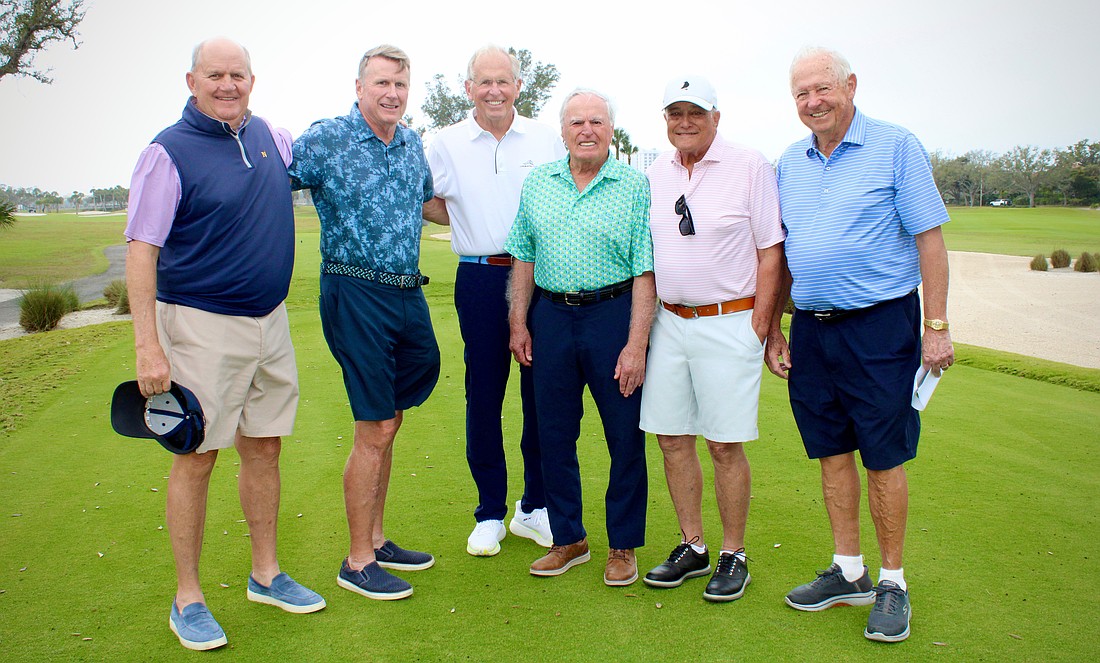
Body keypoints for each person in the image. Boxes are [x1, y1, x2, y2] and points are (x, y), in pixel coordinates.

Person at [125, 37, 324, 651]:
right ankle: (187, 598)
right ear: (192, 81)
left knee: (263, 446)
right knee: (197, 455)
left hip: (270, 322)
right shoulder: (167, 152)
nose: (228, 84)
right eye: (215, 74)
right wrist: (147, 346)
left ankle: (265, 575)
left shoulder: (269, 136)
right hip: (199, 324)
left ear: (252, 81)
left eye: (238, 74)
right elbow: (142, 250)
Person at [767, 46, 954, 643]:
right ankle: (849, 571)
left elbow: (930, 242)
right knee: (830, 450)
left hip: (880, 326)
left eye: (822, 88)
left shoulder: (896, 146)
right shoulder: (789, 162)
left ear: (850, 85)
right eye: (801, 93)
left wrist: (936, 326)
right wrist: (773, 327)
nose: (813, 101)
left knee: (883, 455)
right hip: (812, 329)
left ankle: (893, 582)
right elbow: (785, 255)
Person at [288, 44, 440, 601]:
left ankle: (376, 539)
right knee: (374, 425)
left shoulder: (411, 144)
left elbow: (427, 203)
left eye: (400, 85)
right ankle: (357, 562)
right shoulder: (327, 139)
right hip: (353, 292)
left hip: (407, 293)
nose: (392, 94)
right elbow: (268, 182)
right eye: (381, 83)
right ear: (359, 88)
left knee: (392, 418)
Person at [639, 76, 784, 602]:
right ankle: (693, 545)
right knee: (672, 437)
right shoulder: (656, 172)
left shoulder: (750, 165)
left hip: (731, 320)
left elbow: (771, 251)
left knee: (724, 444)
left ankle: (733, 553)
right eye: (675, 113)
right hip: (670, 322)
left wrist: (762, 326)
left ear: (716, 117)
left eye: (695, 112)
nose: (685, 122)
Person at [504, 88, 655, 587]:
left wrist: (636, 344)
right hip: (550, 317)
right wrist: (518, 322)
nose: (586, 130)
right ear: (563, 130)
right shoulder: (539, 182)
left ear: (610, 130)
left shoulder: (634, 185)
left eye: (596, 121)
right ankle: (568, 538)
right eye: (576, 122)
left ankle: (622, 545)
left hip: (612, 316)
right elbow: (523, 256)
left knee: (624, 435)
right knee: (552, 433)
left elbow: (645, 271)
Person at [423, 45, 564, 557]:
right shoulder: (446, 142)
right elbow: (428, 199)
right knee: (483, 393)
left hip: (542, 278)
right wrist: (466, 220)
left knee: (540, 395)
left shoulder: (546, 138)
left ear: (518, 86)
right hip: (480, 278)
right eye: (484, 82)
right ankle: (489, 512)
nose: (494, 91)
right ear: (469, 88)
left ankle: (534, 507)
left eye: (503, 81)